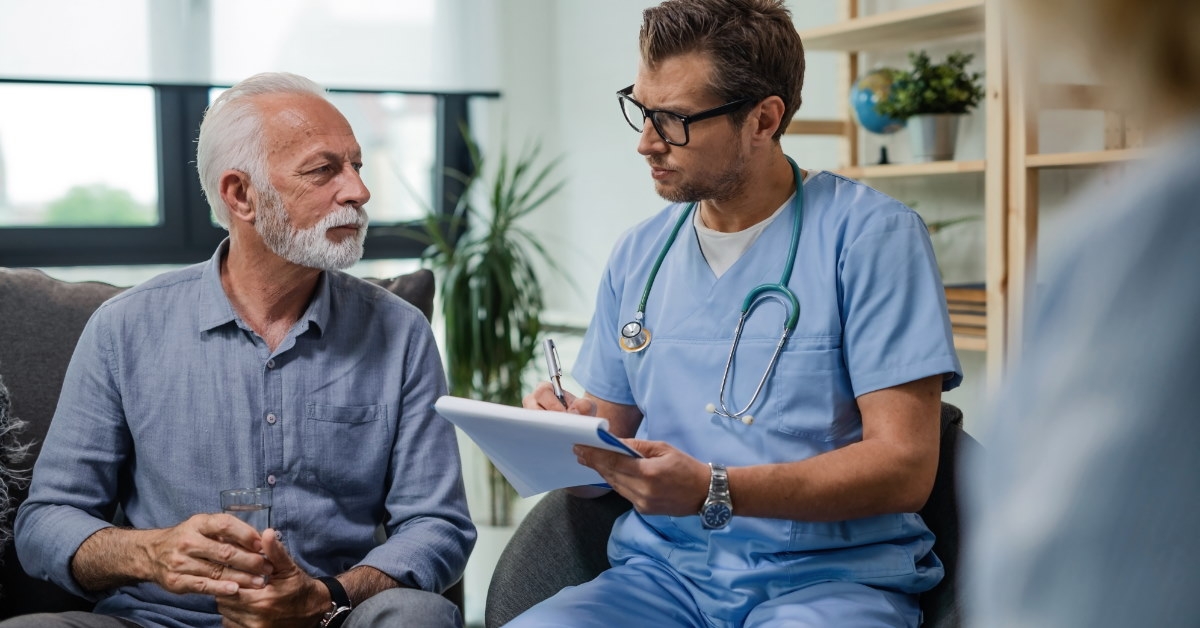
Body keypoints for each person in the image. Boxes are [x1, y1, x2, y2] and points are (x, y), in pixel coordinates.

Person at [513, 1, 962, 626]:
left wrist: (714, 488)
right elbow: (598, 471)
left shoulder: (871, 239)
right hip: (662, 580)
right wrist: (565, 432)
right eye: (643, 110)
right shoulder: (639, 253)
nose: (646, 142)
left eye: (674, 120)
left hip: (827, 585)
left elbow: (905, 468)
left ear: (764, 119)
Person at [6, 72, 475, 628]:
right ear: (240, 195)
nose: (358, 191)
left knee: (418, 617)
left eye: (356, 167)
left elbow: (437, 525)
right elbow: (46, 521)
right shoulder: (123, 328)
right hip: (156, 620)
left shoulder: (401, 332)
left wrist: (324, 596)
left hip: (331, 616)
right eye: (325, 170)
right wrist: (150, 553)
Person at [965, 1, 1200, 626]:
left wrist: (721, 487)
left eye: (678, 117)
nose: (663, 139)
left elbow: (1081, 588)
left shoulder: (1162, 231)